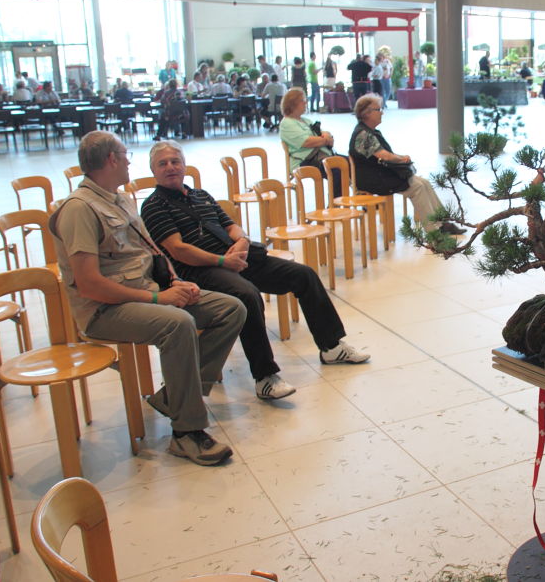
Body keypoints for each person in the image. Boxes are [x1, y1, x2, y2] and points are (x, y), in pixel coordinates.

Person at [49, 131, 245, 466]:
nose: (129, 161)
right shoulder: (79, 209)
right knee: (178, 324)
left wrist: (176, 282)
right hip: (105, 310)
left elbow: (151, 252)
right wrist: (159, 299)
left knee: (230, 308)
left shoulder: (119, 199)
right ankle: (187, 432)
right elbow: (89, 285)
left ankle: (173, 396)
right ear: (111, 159)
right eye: (125, 154)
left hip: (144, 292)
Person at [141, 141, 368, 401]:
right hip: (199, 270)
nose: (170, 167)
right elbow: (178, 249)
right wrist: (222, 261)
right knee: (247, 294)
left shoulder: (200, 195)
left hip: (234, 258)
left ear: (184, 165)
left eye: (175, 161)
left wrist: (242, 242)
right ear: (153, 170)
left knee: (303, 274)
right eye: (163, 164)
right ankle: (265, 377)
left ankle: (331, 347)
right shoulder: (153, 206)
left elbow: (232, 227)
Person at [349, 93, 465, 235]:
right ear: (366, 113)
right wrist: (401, 158)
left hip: (379, 175)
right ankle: (433, 232)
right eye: (378, 110)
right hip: (371, 180)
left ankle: (444, 223)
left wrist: (400, 158)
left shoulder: (369, 132)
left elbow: (384, 155)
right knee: (417, 187)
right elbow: (384, 155)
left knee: (424, 182)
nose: (382, 113)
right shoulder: (362, 134)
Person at [279, 87, 342, 197]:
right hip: (304, 160)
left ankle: (353, 197)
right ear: (293, 103)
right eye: (302, 100)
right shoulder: (287, 123)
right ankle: (334, 203)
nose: (306, 103)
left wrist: (325, 137)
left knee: (349, 162)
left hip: (320, 156)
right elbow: (307, 142)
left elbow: (324, 133)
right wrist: (325, 139)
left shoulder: (305, 120)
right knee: (336, 169)